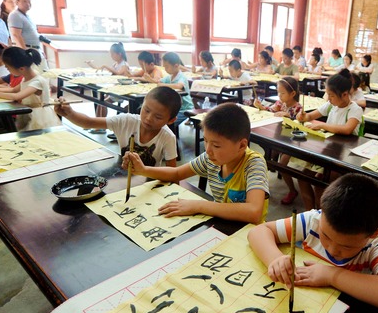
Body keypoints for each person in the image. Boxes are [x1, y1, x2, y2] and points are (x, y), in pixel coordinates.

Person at [247, 173, 378, 313]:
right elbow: (258, 232)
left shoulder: (377, 243)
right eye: (325, 236)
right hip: (304, 307)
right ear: (322, 211)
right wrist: (275, 259)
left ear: (372, 234)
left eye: (347, 246)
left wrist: (331, 275)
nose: (332, 249)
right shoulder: (314, 221)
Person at [122, 103, 270, 224]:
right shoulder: (211, 159)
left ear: (242, 146)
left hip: (248, 232)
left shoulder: (253, 164)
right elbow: (177, 173)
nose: (208, 150)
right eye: (205, 141)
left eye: (216, 145)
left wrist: (198, 205)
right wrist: (142, 170)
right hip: (221, 224)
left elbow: (253, 212)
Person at [55, 87, 181, 166]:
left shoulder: (168, 137)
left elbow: (172, 174)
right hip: (121, 175)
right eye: (146, 110)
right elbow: (89, 122)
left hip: (148, 182)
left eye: (158, 117)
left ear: (171, 120)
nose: (148, 118)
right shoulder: (126, 121)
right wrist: (69, 113)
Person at [295, 69, 364, 210]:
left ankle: (323, 217)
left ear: (345, 94)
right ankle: (310, 211)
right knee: (303, 177)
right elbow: (311, 116)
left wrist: (322, 125)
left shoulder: (354, 109)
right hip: (328, 150)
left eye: (331, 95)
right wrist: (303, 116)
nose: (329, 99)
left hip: (344, 156)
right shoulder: (331, 105)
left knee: (321, 183)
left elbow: (347, 129)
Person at [0, 47, 60, 131]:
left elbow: (17, 96)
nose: (7, 70)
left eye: (8, 68)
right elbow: (13, 90)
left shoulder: (37, 82)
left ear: (21, 68)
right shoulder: (26, 78)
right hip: (28, 112)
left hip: (38, 115)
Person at [254, 78, 302, 205]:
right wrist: (260, 106)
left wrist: (290, 118)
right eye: (278, 93)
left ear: (292, 94)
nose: (279, 96)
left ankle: (292, 190)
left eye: (282, 93)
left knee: (283, 164)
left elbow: (301, 125)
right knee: (265, 159)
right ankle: (262, 186)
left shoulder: (298, 108)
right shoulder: (280, 103)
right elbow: (270, 110)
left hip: (292, 141)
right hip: (278, 139)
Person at [144, 52, 194, 126]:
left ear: (176, 66)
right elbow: (158, 82)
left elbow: (179, 86)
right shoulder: (169, 77)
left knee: (165, 121)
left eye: (166, 67)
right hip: (174, 107)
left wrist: (163, 85)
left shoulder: (181, 77)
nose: (165, 69)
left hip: (184, 108)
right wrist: (149, 79)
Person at [8, 0, 48, 69]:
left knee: (45, 75)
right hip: (27, 50)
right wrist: (26, 53)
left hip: (35, 49)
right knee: (37, 76)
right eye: (24, 1)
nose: (28, 4)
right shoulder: (15, 15)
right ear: (17, 2)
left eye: (29, 2)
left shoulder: (27, 16)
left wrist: (40, 50)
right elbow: (16, 35)